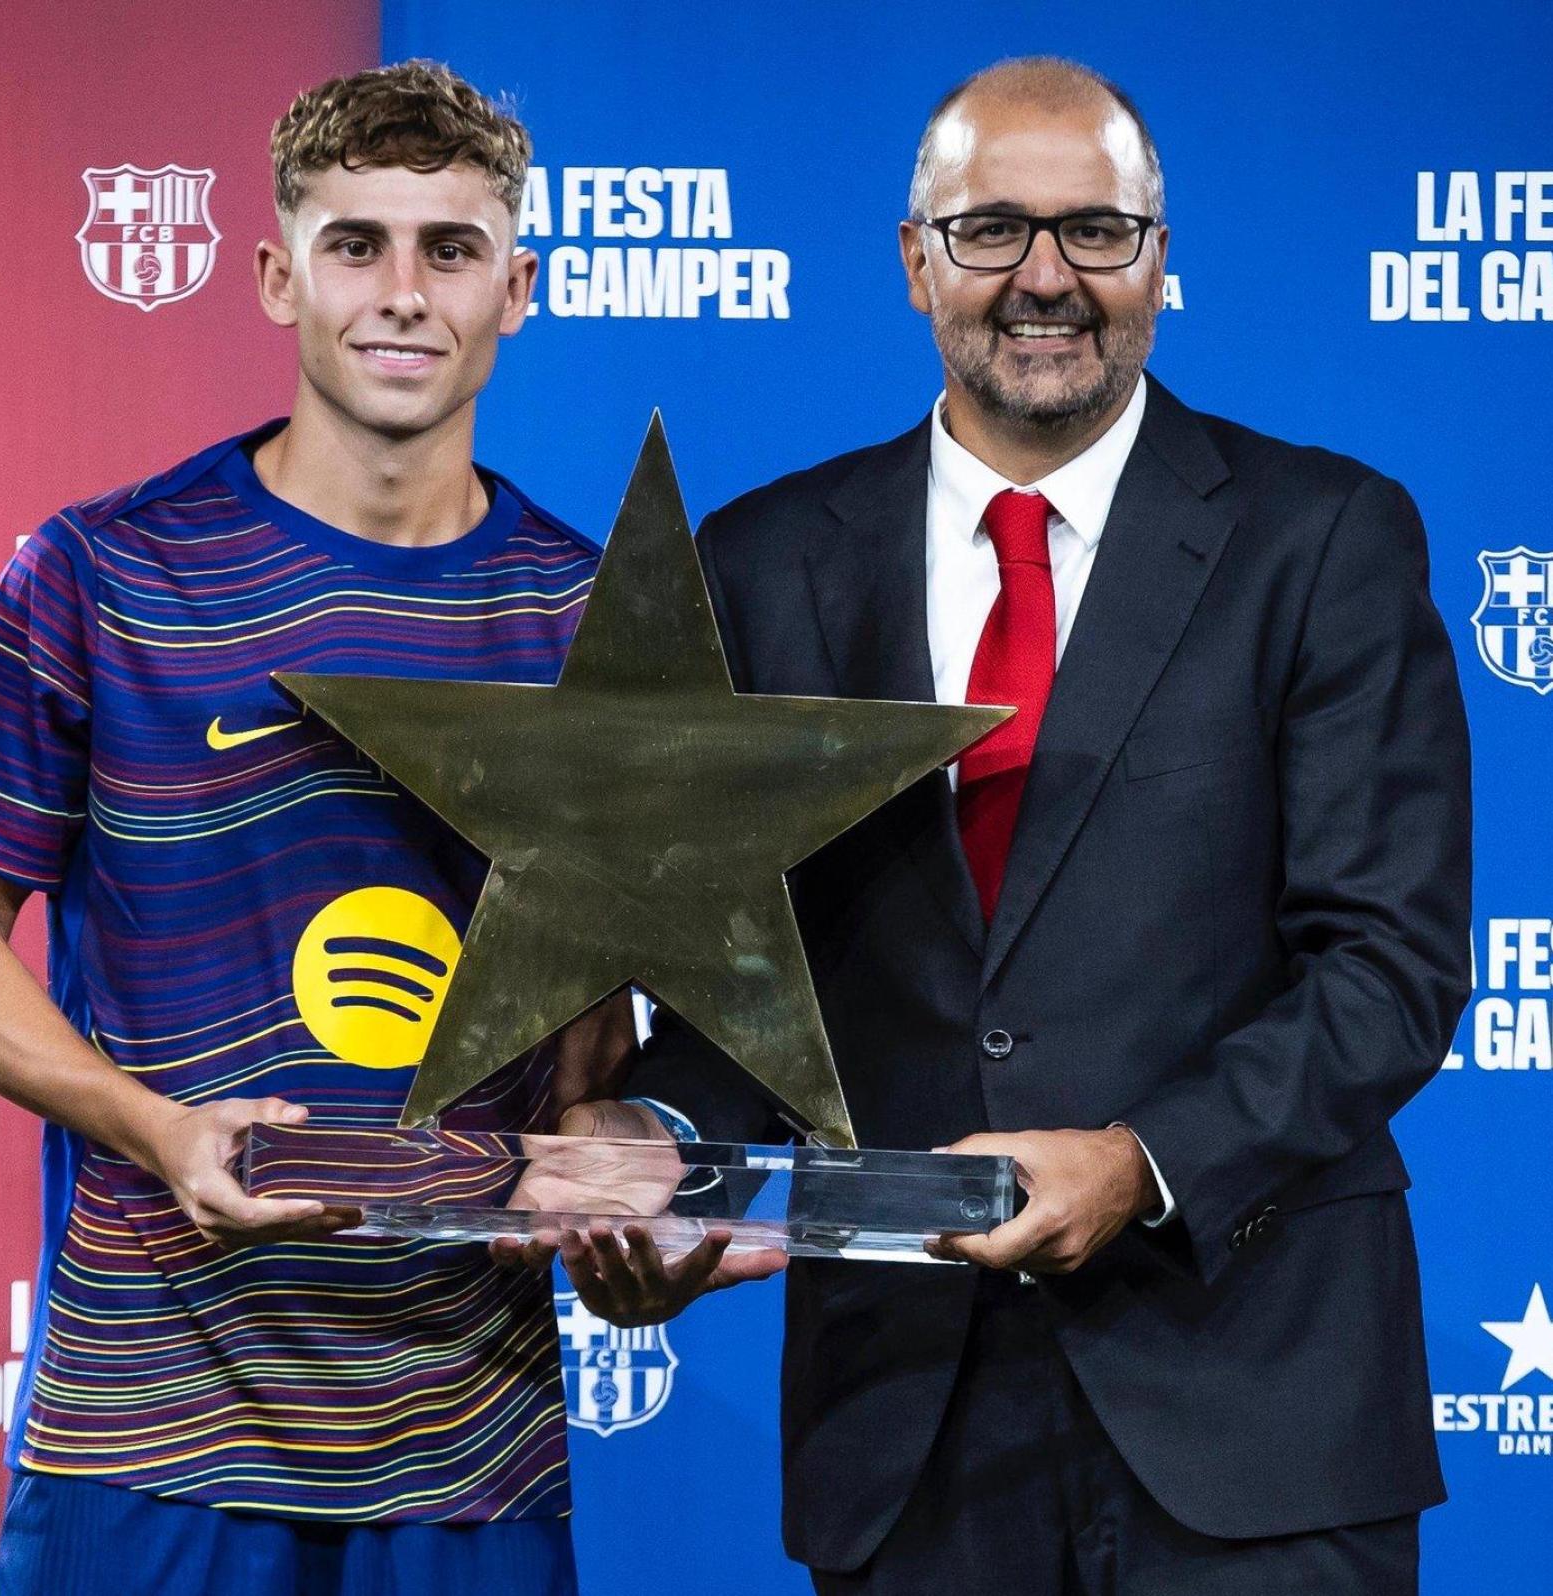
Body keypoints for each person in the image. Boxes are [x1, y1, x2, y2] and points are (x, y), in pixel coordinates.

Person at [499, 56, 1472, 1595]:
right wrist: (662, 1148)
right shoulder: (759, 563)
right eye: (989, 230)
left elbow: (1386, 972)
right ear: (913, 259)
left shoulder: (1323, 538)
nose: (1044, 277)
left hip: (1253, 1412)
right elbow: (746, 991)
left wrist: (1138, 1161)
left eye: (1094, 230)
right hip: (907, 1431)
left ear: (1157, 257)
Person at [0, 59, 632, 1596]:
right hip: (147, 1420)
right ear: (277, 277)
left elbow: (599, 1032)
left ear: (519, 290)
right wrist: (155, 1129)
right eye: (356, 245)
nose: (402, 293)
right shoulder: (103, 571)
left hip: (467, 1440)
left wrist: (616, 1184)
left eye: (451, 249)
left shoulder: (591, 620)